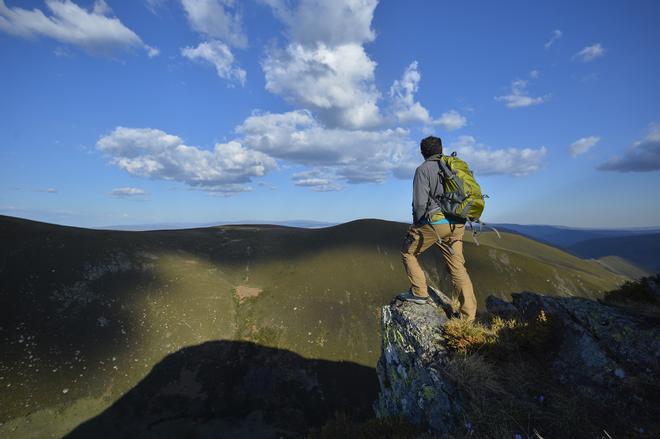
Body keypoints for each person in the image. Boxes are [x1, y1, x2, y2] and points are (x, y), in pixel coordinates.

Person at [399, 135, 477, 321]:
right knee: (458, 267)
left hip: (436, 223)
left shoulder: (423, 169)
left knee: (408, 253)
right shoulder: (454, 165)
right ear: (441, 149)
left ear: (423, 152)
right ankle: (468, 316)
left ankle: (419, 292)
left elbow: (419, 203)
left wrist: (417, 224)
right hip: (457, 223)